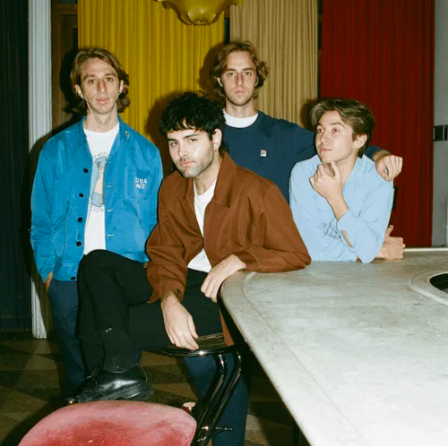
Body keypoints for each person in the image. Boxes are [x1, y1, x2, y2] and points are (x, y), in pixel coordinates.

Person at [73, 92, 311, 446]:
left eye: (191, 140)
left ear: (215, 138)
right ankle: (119, 372)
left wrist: (240, 258)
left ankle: (111, 389)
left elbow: (295, 254)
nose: (181, 152)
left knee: (101, 323)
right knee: (96, 262)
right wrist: (169, 300)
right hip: (181, 283)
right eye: (173, 143)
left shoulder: (256, 191)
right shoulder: (173, 186)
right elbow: (165, 251)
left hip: (224, 300)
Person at [30, 48, 163, 396]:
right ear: (78, 89)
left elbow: (157, 224)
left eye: (109, 78)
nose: (101, 88)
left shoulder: (147, 153)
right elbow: (40, 221)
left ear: (121, 85)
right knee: (78, 379)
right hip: (68, 278)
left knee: (122, 378)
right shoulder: (55, 150)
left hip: (124, 279)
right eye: (91, 80)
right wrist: (49, 275)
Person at [209, 40, 403, 202]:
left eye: (247, 73)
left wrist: (378, 155)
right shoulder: (205, 136)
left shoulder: (283, 134)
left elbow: (339, 147)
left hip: (274, 237)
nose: (240, 81)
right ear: (219, 80)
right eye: (231, 73)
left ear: (256, 79)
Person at [290, 98, 405, 262]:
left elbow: (368, 247)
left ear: (359, 140)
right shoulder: (304, 173)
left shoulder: (379, 177)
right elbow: (308, 247)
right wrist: (375, 252)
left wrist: (335, 198)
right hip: (313, 275)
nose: (323, 138)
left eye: (335, 130)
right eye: (320, 130)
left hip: (363, 276)